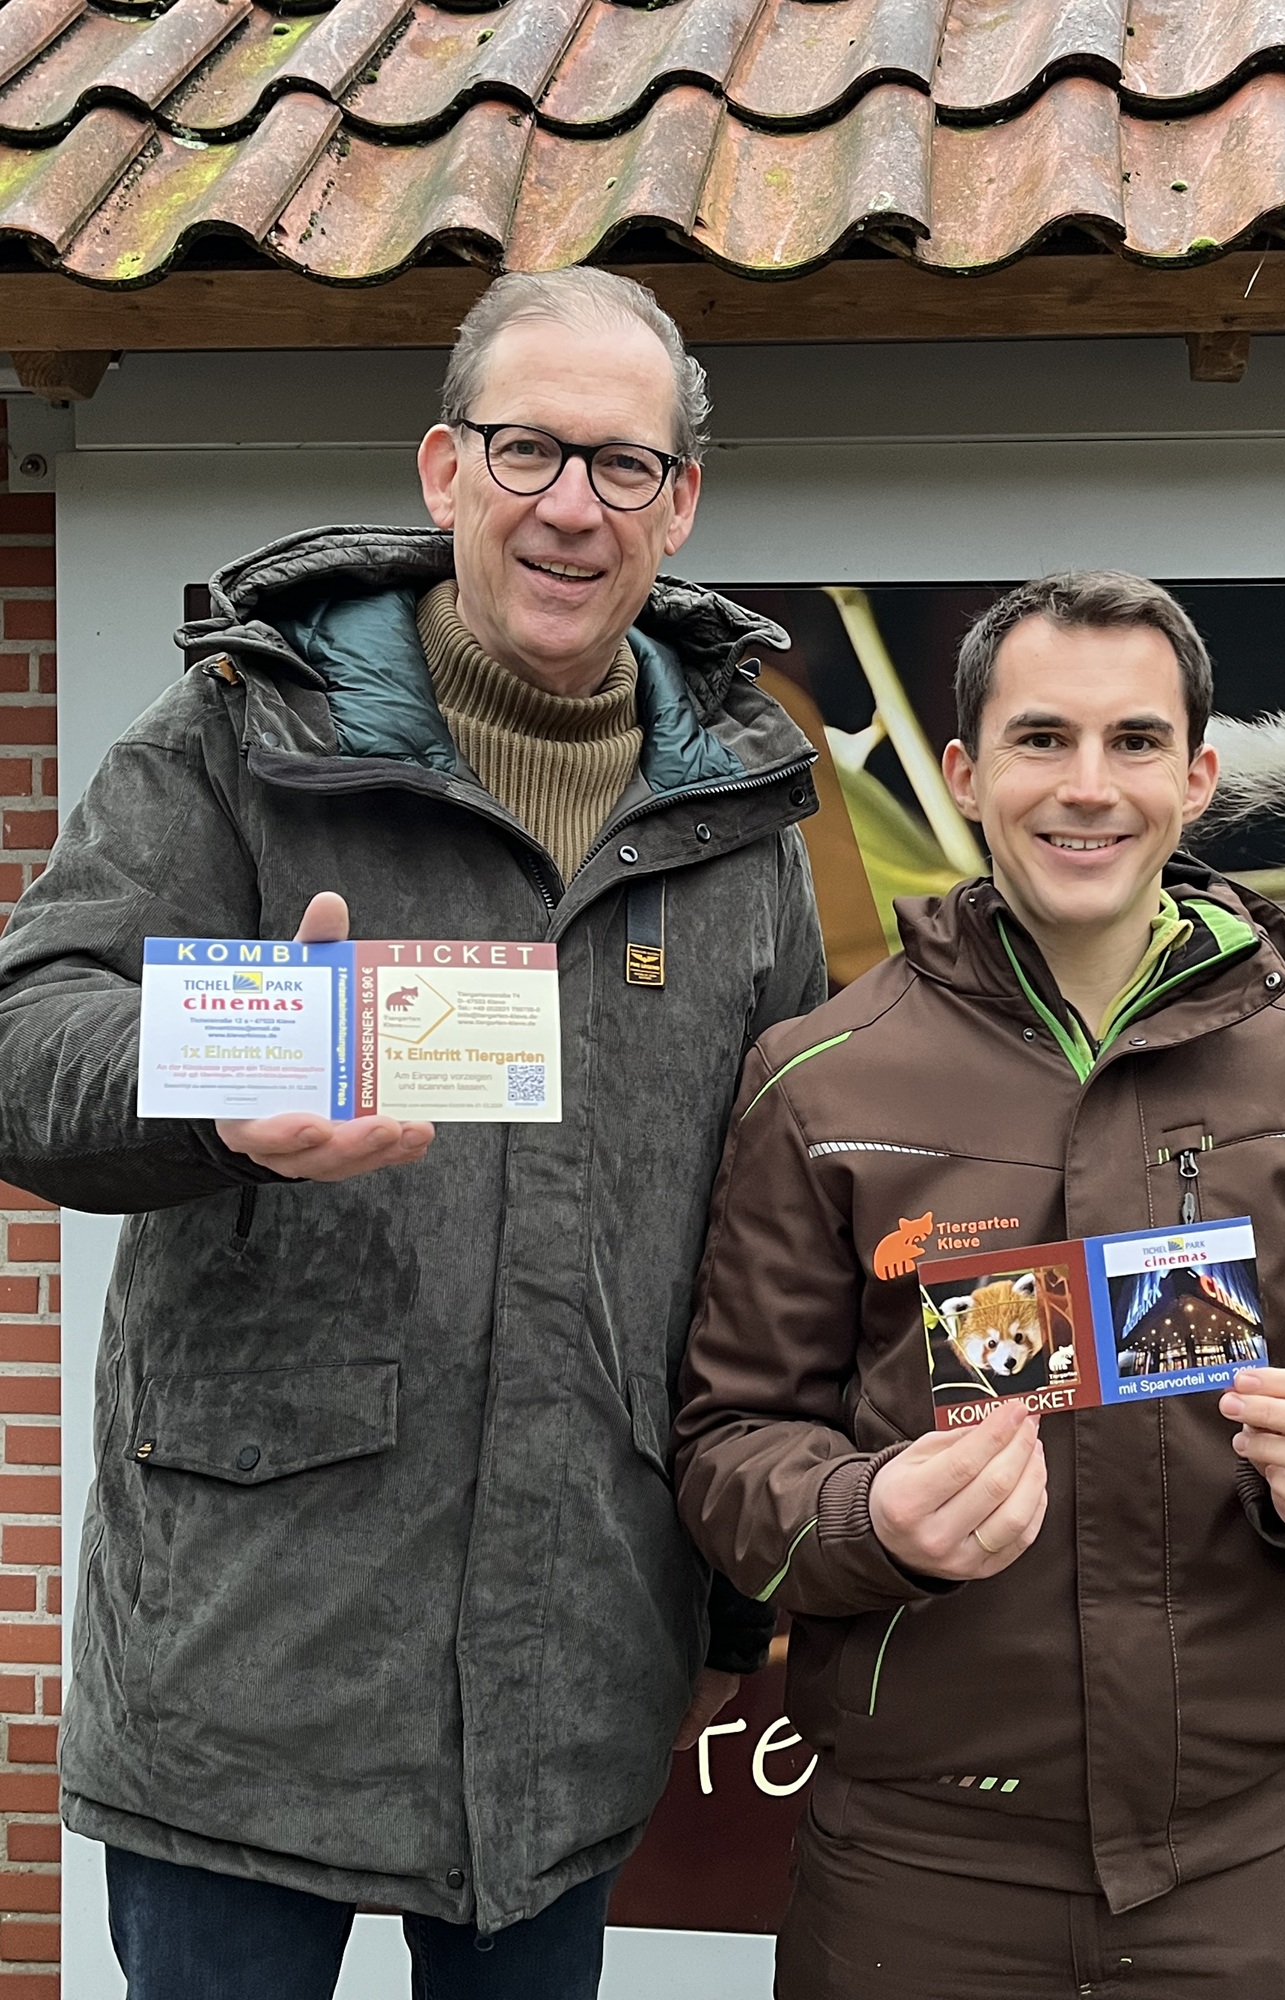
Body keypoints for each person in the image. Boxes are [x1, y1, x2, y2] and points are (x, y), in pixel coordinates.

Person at [0, 268, 826, 1997]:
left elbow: (771, 1237)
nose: (571, 507)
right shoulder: (243, 733)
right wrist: (212, 1083)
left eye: (622, 465)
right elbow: (28, 1040)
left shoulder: (740, 819)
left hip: (570, 1666)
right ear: (446, 469)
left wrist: (739, 1599)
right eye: (529, 451)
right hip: (244, 1668)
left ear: (679, 503)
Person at [673, 571, 1285, 2000]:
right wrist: (866, 1515)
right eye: (1043, 739)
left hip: (1240, 1874)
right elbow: (731, 1444)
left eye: (1136, 743)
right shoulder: (826, 1083)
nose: (1090, 788)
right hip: (927, 1867)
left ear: (1199, 782)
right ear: (961, 776)